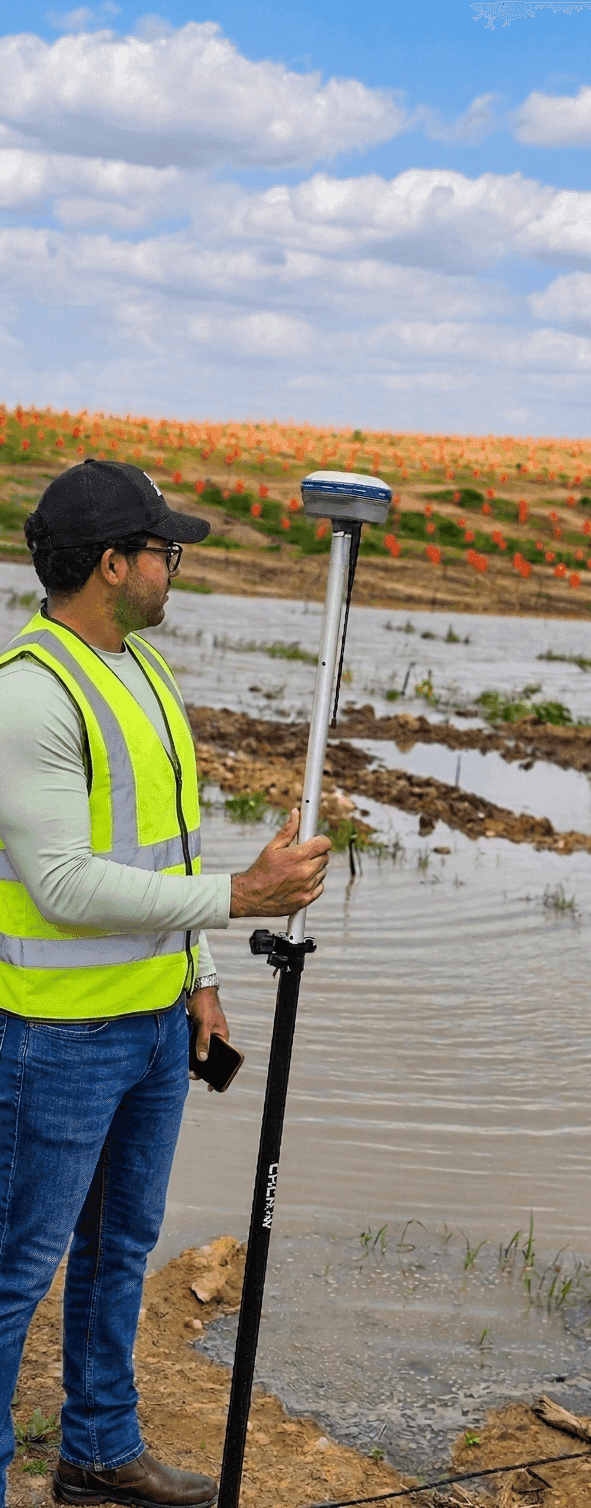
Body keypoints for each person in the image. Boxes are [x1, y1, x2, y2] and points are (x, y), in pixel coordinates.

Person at [0, 459, 331, 1508]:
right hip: (53, 1038)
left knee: (119, 1246)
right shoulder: (28, 691)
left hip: (149, 1025)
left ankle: (98, 1451)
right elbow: (60, 882)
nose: (172, 564)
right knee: (13, 1274)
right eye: (161, 548)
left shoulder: (141, 670)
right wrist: (243, 893)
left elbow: (162, 850)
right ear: (111, 562)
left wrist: (198, 977)